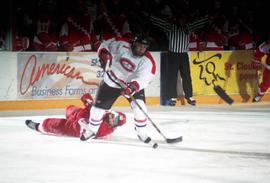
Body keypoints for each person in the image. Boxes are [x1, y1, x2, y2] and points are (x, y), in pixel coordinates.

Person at [80, 34, 156, 144]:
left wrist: (133, 87)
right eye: (139, 46)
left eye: (144, 47)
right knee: (97, 110)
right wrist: (103, 53)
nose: (141, 49)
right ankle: (92, 130)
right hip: (111, 82)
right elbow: (105, 44)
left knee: (140, 108)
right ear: (134, 43)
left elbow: (145, 78)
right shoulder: (122, 44)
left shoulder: (147, 61)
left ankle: (141, 132)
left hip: (131, 86)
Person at [146, 12, 209, 106]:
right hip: (173, 55)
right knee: (172, 76)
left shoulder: (188, 27)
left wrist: (207, 17)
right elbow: (160, 22)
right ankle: (172, 97)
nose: (183, 21)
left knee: (187, 76)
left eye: (184, 19)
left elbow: (198, 23)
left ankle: (189, 96)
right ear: (178, 20)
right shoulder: (171, 27)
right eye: (181, 19)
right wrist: (149, 16)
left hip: (183, 55)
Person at [25, 93, 126, 138]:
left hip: (76, 128)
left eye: (114, 122)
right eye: (114, 117)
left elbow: (81, 121)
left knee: (54, 124)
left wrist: (88, 105)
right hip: (80, 115)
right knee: (69, 108)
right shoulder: (105, 112)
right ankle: (71, 114)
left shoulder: (104, 129)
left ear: (114, 126)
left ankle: (39, 127)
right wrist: (89, 102)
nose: (112, 119)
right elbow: (86, 98)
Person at [252, 36, 270, 102]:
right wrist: (256, 61)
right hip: (269, 69)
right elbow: (258, 54)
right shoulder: (266, 46)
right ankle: (258, 96)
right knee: (265, 85)